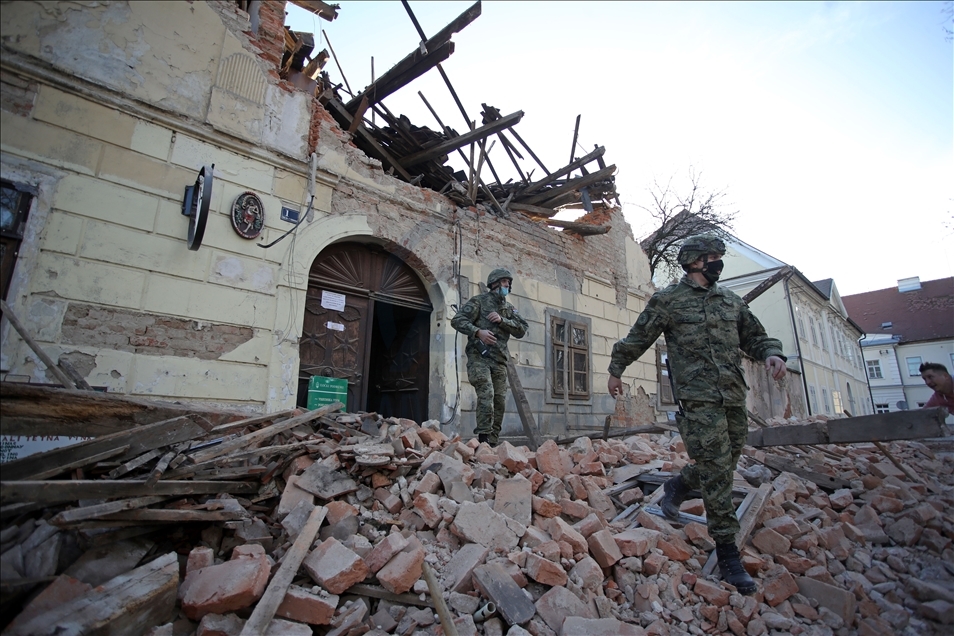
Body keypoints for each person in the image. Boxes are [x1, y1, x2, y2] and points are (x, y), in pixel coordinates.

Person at [607, 234, 787, 595]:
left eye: (719, 256)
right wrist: (616, 369)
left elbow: (755, 336)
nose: (718, 262)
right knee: (718, 470)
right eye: (712, 257)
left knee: (724, 461)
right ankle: (728, 553)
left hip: (732, 395)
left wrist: (771, 352)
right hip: (697, 399)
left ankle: (678, 485)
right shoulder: (669, 300)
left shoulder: (730, 301)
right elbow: (639, 336)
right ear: (693, 262)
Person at [451, 268, 529, 445]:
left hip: (499, 361)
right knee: (487, 393)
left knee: (499, 400)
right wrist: (478, 332)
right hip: (479, 357)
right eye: (504, 282)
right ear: (494, 283)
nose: (507, 285)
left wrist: (502, 320)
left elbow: (522, 329)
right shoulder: (478, 301)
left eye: (508, 283)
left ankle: (492, 442)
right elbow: (457, 320)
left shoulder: (509, 308)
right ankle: (483, 439)